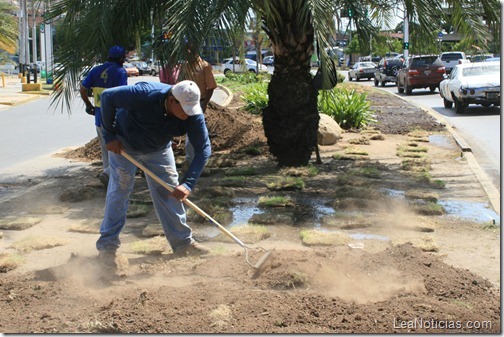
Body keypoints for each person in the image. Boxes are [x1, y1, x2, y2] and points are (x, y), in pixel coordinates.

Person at [96, 80, 212, 268]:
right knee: (120, 190)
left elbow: (203, 149)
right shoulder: (144, 94)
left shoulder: (193, 115)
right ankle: (107, 247)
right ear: (172, 100)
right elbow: (107, 96)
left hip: (158, 149)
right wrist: (109, 136)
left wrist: (188, 184)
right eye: (184, 108)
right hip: (124, 146)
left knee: (171, 192)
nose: (188, 114)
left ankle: (183, 243)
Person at [80, 45, 128, 188]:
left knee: (105, 149)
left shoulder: (95, 70)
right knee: (117, 151)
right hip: (114, 119)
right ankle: (111, 177)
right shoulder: (120, 72)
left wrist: (89, 105)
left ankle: (108, 175)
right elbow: (122, 95)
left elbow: (83, 89)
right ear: (121, 58)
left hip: (99, 118)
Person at [176, 46, 217, 166]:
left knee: (194, 129)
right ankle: (191, 158)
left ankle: (195, 158)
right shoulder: (184, 66)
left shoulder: (204, 66)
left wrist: (204, 104)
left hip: (198, 102)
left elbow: (211, 86)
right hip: (185, 102)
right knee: (191, 130)